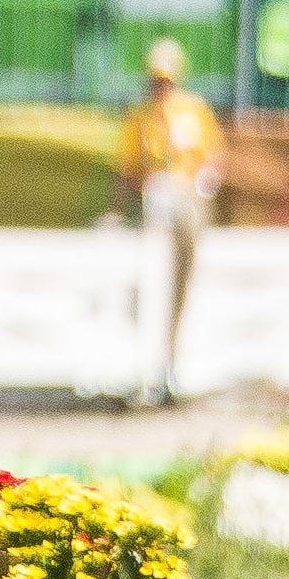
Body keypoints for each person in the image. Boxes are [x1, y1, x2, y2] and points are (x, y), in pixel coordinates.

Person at [119, 34, 224, 397]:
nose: (161, 87)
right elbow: (129, 168)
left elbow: (211, 155)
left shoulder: (194, 111)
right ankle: (148, 367)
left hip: (187, 202)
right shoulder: (139, 117)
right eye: (156, 80)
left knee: (183, 279)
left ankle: (175, 360)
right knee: (150, 285)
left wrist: (204, 182)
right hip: (154, 205)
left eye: (166, 80)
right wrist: (119, 209)